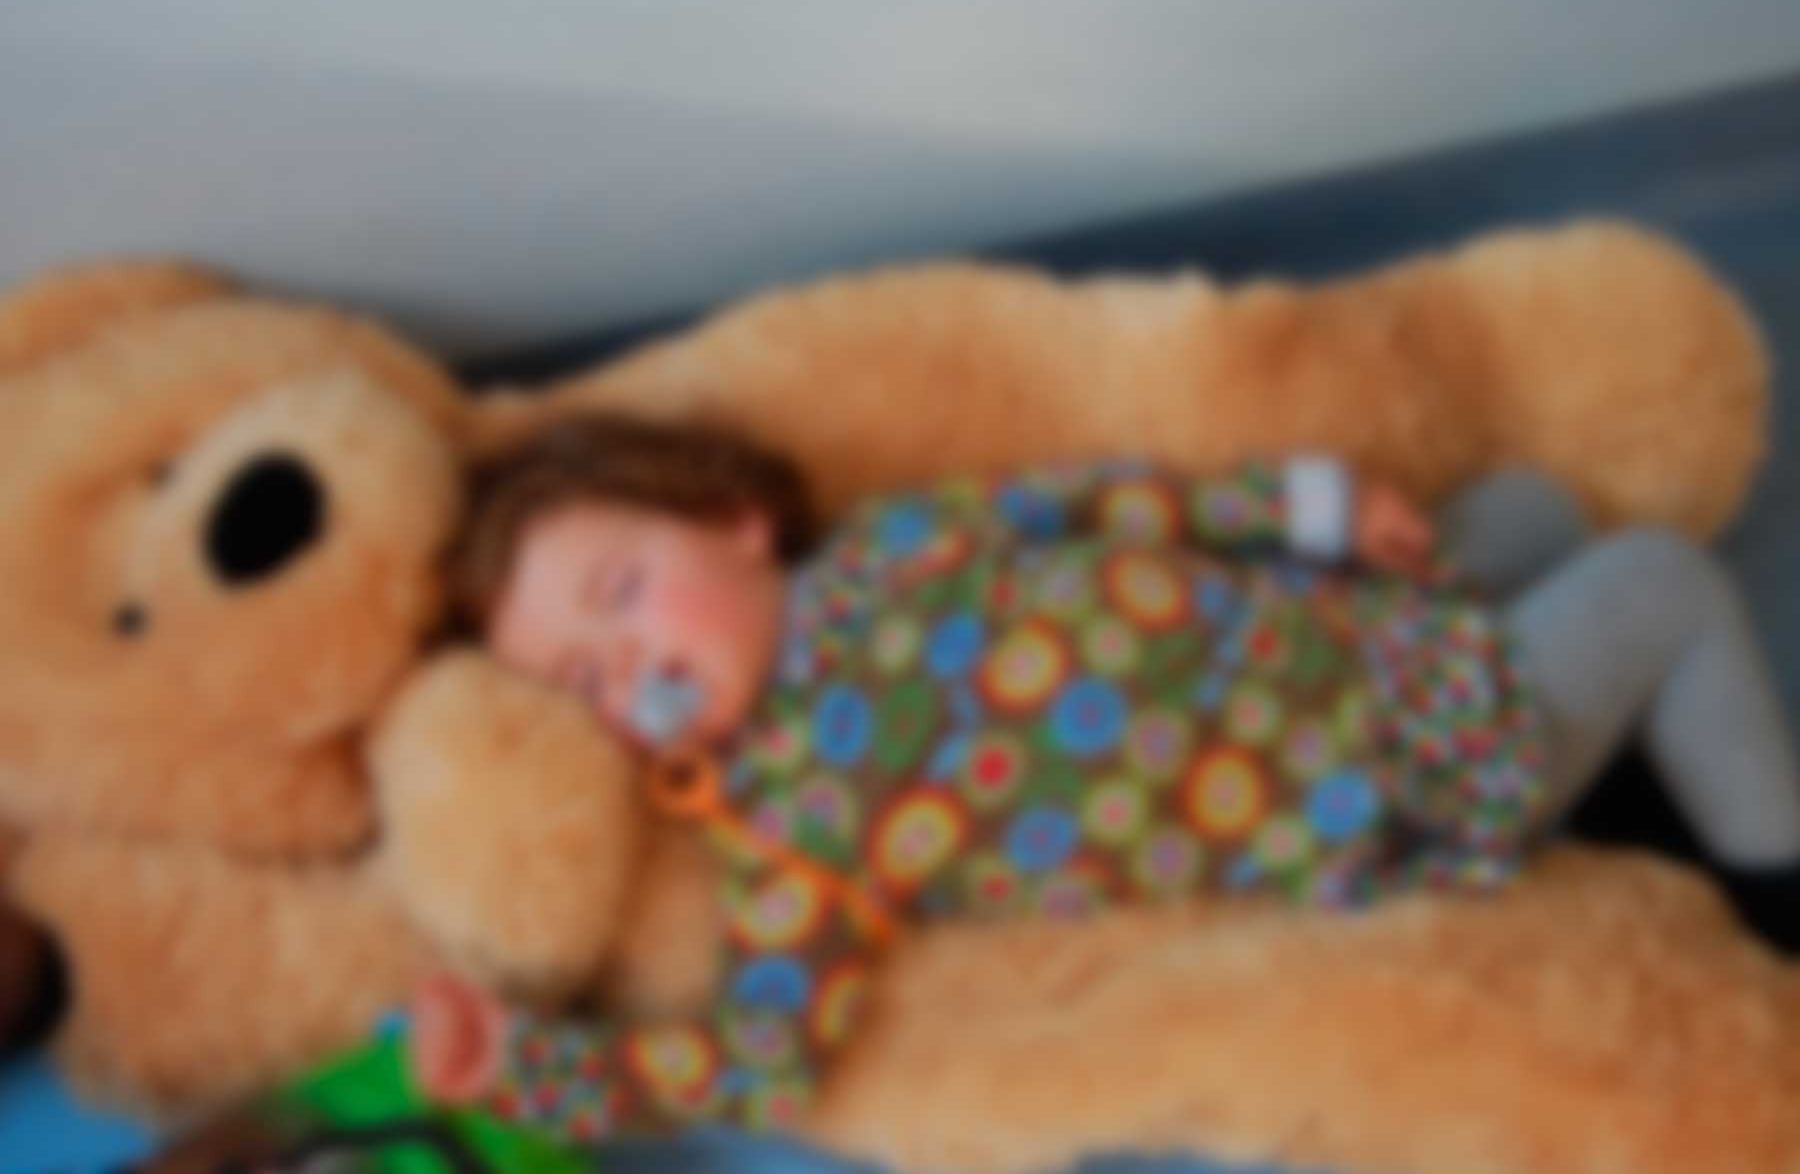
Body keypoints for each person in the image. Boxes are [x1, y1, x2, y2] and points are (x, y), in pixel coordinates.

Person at [411, 412, 1800, 1144]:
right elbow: (761, 1059)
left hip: (1337, 621)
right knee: (1659, 581)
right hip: (1387, 764)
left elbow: (1092, 501)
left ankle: (1627, 784)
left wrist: (1306, 506)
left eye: (622, 594)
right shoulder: (788, 830)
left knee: (1532, 506)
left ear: (735, 523)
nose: (626, 667)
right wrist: (525, 1066)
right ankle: (1773, 884)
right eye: (582, 685)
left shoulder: (896, 540)